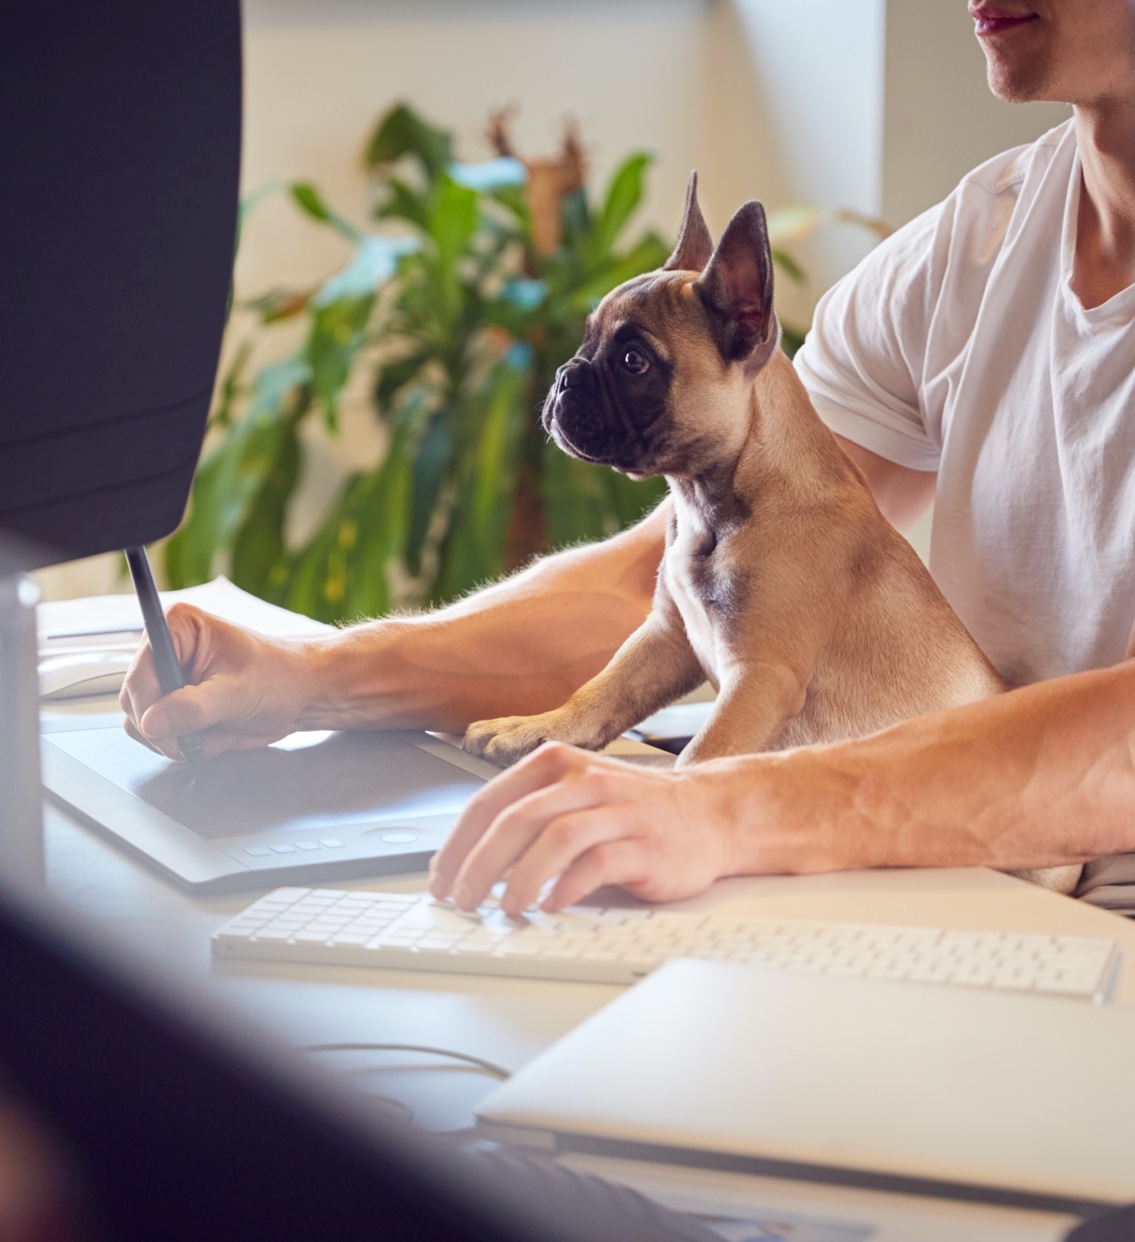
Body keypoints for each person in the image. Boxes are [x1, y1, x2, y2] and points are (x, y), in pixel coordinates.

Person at [121, 0, 1135, 917]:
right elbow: (677, 585)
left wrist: (724, 808)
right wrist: (321, 679)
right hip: (948, 880)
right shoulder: (977, 243)